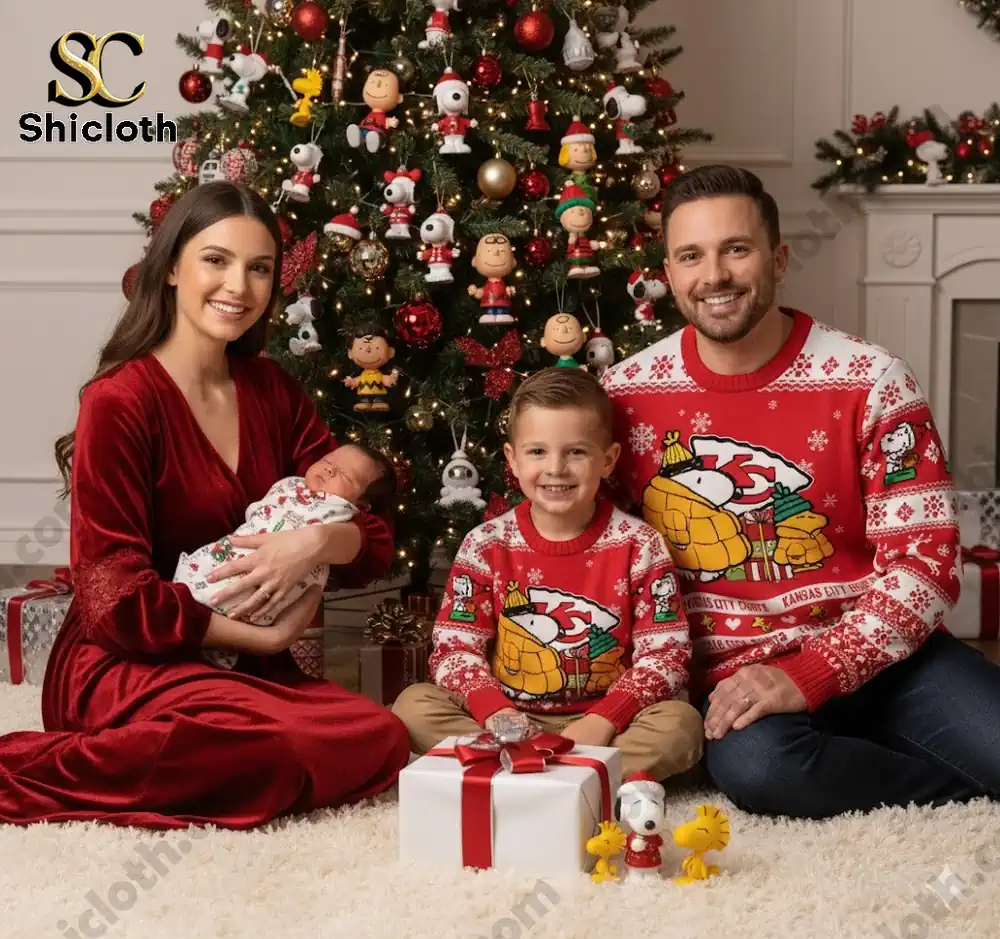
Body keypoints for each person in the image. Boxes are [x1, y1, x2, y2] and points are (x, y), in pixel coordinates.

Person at [0, 181, 410, 830]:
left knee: (379, 735)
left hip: (236, 670)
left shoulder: (274, 390)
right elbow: (114, 602)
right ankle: (33, 767)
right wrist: (267, 635)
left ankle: (209, 744)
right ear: (170, 270)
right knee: (267, 745)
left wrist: (316, 542)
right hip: (125, 660)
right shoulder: (120, 401)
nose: (239, 287)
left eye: (259, 268)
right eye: (216, 260)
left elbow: (372, 540)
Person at [599, 163, 1000, 819]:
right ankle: (954, 795)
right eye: (691, 256)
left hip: (889, 659)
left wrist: (814, 672)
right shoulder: (626, 395)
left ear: (778, 257)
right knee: (762, 769)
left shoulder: (870, 379)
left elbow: (926, 564)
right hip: (737, 680)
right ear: (668, 273)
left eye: (736, 248)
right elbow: (595, 558)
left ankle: (891, 751)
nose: (715, 276)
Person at [393, 368, 704, 782]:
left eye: (576, 452)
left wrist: (605, 720)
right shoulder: (485, 543)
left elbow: (666, 654)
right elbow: (454, 649)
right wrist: (496, 713)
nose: (556, 468)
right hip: (506, 723)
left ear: (607, 460)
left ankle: (532, 777)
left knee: (681, 725)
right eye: (537, 452)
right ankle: (575, 777)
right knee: (412, 706)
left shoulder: (639, 544)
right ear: (512, 460)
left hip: (608, 724)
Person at [175, 443, 396, 671]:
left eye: (346, 476)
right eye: (328, 461)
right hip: (229, 559)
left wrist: (318, 540)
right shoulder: (291, 487)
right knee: (207, 578)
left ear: (361, 505)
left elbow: (378, 539)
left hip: (268, 597)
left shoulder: (340, 513)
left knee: (244, 598)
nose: (330, 469)